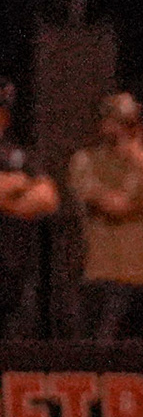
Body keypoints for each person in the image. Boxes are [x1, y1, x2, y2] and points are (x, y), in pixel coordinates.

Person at [68, 92, 143, 341]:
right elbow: (113, 206)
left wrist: (137, 157)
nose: (121, 130)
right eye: (115, 122)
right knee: (100, 358)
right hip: (105, 277)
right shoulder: (87, 162)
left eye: (128, 123)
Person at [0, 77, 60, 337]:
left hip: (15, 273)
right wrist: (18, 185)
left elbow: (48, 198)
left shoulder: (18, 154)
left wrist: (8, 194)